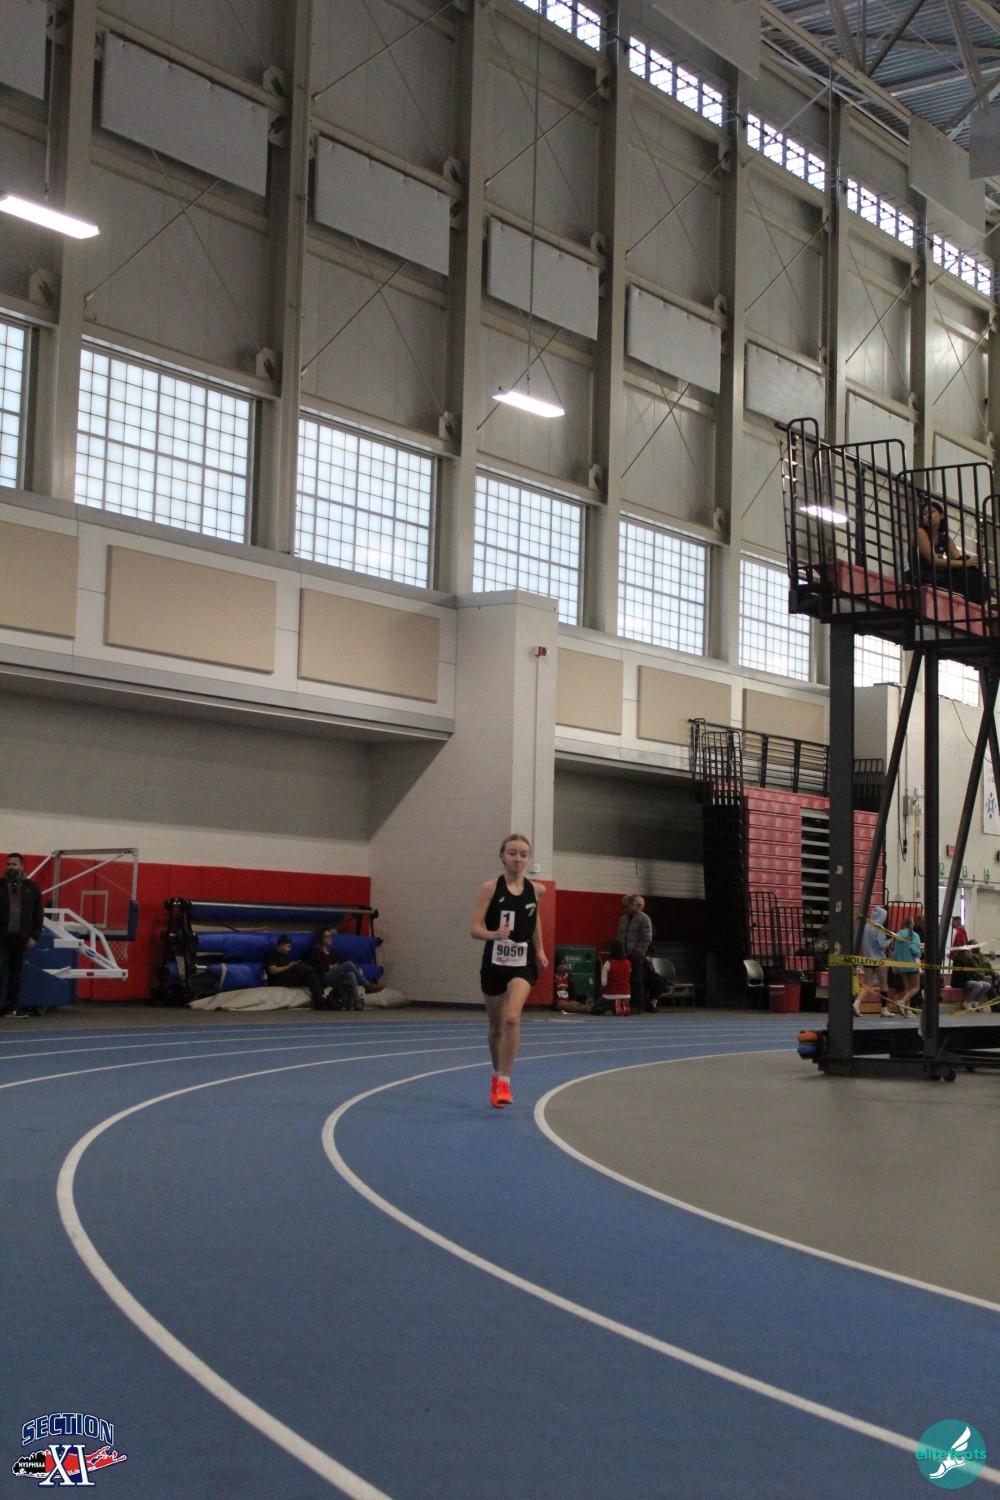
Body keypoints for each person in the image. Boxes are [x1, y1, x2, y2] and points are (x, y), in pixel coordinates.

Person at [471, 833, 547, 1109]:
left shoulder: (537, 890)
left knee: (512, 1018)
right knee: (496, 1027)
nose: (518, 858)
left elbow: (535, 920)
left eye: (523, 854)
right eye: (512, 853)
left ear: (529, 858)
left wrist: (539, 950)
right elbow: (474, 928)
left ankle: (505, 1080)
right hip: (494, 961)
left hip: (522, 961)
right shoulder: (490, 888)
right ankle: (495, 1073)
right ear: (502, 856)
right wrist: (493, 934)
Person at [911, 498, 987, 602]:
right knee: (966, 563)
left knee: (967, 563)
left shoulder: (945, 539)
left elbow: (959, 560)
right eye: (924, 514)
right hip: (922, 574)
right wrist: (966, 563)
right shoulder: (920, 532)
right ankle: (982, 599)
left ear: (941, 515)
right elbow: (933, 561)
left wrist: (973, 562)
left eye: (932, 512)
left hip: (938, 575)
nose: (928, 516)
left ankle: (982, 599)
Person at [0, 853, 44, 1018]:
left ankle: (11, 1008)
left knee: (16, 976)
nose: (10, 867)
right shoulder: (0, 885)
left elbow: (38, 914)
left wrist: (34, 936)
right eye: (8, 864)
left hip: (21, 939)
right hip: (1, 938)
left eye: (14, 864)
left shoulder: (32, 888)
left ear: (22, 866)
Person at [303, 925, 374, 1010]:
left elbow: (341, 964)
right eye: (327, 936)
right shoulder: (314, 951)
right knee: (349, 964)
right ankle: (366, 985)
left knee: (350, 974)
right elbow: (312, 967)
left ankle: (357, 1000)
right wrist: (328, 967)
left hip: (336, 977)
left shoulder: (334, 952)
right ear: (321, 938)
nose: (330, 938)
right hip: (324, 977)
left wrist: (356, 971)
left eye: (331, 936)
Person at [262, 934, 324, 1007]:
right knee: (300, 968)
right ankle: (310, 968)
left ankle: (319, 1001)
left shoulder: (285, 955)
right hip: (276, 980)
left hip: (287, 978)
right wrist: (288, 967)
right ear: (281, 944)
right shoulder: (272, 953)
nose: (289, 949)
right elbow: (273, 971)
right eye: (288, 946)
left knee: (311, 975)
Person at [617, 894, 653, 1013]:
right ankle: (628, 1003)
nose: (624, 909)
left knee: (636, 980)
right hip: (624, 955)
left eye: (626, 906)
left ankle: (639, 1005)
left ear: (634, 904)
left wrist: (637, 952)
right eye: (623, 906)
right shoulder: (623, 919)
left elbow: (646, 938)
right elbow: (619, 937)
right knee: (625, 980)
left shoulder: (644, 919)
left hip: (636, 956)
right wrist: (620, 952)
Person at [855, 904, 892, 1017]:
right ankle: (884, 1009)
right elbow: (882, 946)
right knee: (883, 985)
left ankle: (856, 1003)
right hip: (879, 959)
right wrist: (890, 941)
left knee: (868, 983)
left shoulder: (866, 927)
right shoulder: (879, 928)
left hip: (867, 959)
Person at [890, 917, 921, 1014]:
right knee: (915, 987)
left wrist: (895, 966)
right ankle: (902, 1002)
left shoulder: (898, 935)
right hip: (911, 964)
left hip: (901, 965)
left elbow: (895, 952)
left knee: (907, 988)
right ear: (912, 924)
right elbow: (916, 951)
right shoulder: (914, 935)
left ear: (903, 924)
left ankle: (908, 1010)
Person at [601, 940, 633, 1016]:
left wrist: (602, 991)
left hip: (611, 993)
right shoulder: (628, 963)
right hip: (626, 993)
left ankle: (613, 1005)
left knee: (595, 1010)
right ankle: (620, 1006)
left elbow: (604, 983)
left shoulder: (608, 963)